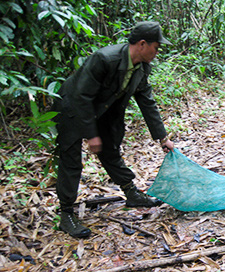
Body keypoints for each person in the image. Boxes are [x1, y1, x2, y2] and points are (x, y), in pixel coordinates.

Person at [52, 21, 175, 238]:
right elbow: (82, 96)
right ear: (143, 44)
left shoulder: (142, 68)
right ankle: (67, 214)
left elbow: (147, 101)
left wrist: (162, 137)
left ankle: (131, 193)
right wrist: (91, 134)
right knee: (71, 159)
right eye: (156, 47)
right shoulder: (105, 59)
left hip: (103, 110)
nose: (157, 52)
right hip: (72, 107)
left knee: (110, 150)